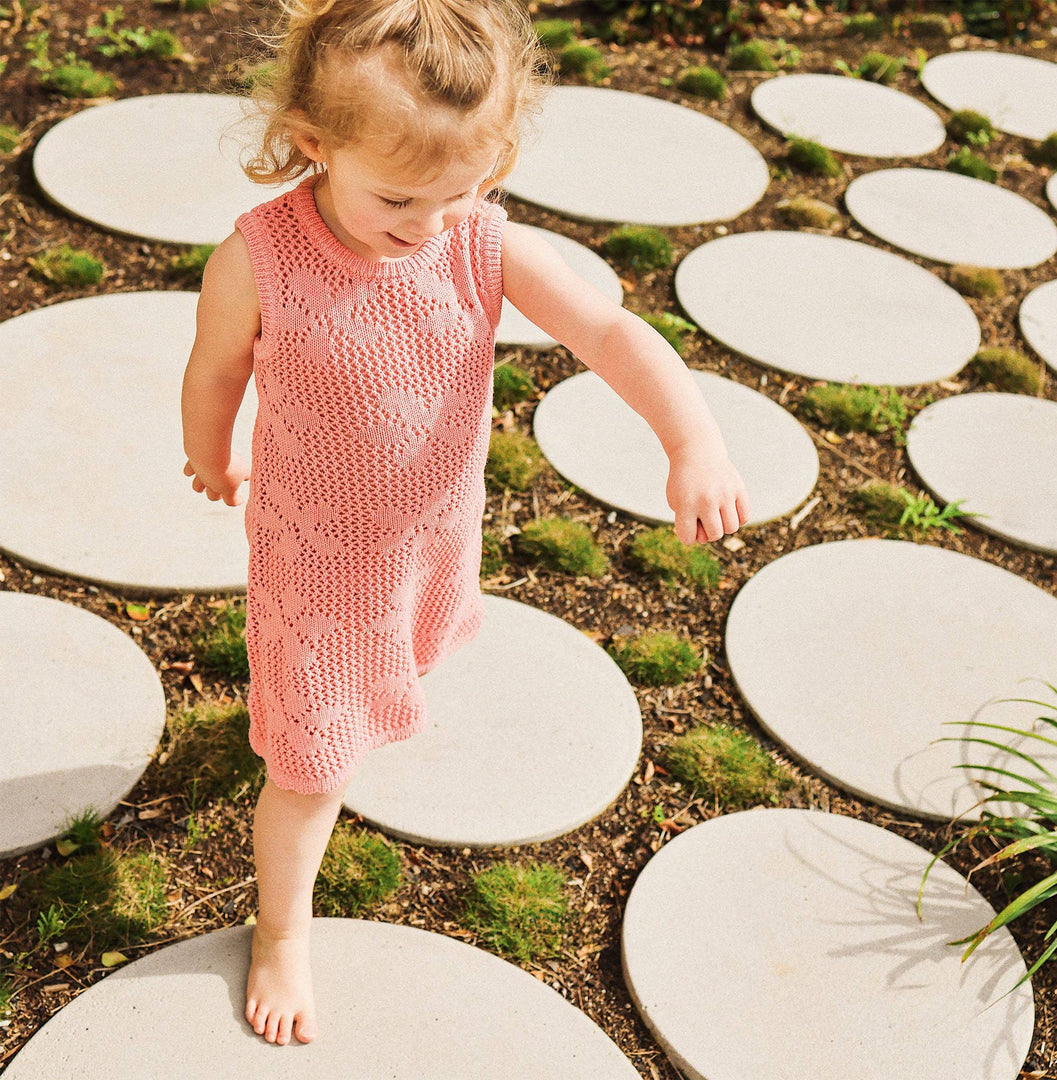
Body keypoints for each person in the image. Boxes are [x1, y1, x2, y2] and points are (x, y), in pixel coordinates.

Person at [181, 0, 750, 1048]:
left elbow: (608, 330)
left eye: (466, 190)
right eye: (401, 195)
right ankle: (282, 930)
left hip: (429, 538)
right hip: (318, 564)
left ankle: (378, 692)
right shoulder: (261, 258)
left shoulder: (478, 241)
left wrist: (693, 440)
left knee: (406, 656)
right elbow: (217, 366)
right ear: (313, 144)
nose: (432, 221)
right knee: (311, 770)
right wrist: (212, 451)